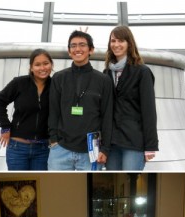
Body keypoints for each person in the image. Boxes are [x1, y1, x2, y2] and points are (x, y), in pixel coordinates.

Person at [48, 30, 113, 171]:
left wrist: (105, 148)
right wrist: (53, 140)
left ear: (91, 50)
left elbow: (107, 116)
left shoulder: (103, 80)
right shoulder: (59, 78)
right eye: (73, 45)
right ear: (69, 51)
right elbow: (53, 111)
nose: (78, 49)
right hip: (61, 151)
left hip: (91, 153)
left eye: (82, 45)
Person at [104, 25, 158, 171]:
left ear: (129, 43)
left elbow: (149, 110)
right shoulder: (107, 73)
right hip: (111, 142)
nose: (116, 45)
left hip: (133, 141)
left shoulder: (142, 72)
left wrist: (150, 146)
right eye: (113, 41)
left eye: (121, 41)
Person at [0, 49, 53, 171]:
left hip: (43, 149)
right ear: (31, 67)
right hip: (17, 148)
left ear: (51, 65)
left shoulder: (56, 85)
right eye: (37, 64)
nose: (42, 67)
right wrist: (5, 126)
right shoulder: (19, 83)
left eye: (46, 63)